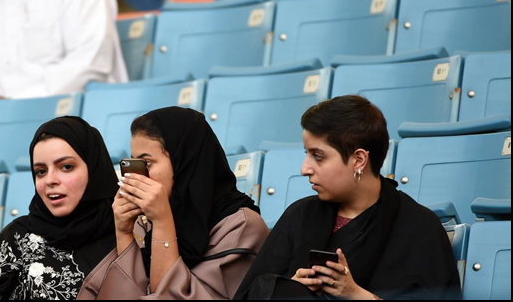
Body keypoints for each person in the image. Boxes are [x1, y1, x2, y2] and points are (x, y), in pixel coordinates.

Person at [234, 95, 462, 300]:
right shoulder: (300, 215)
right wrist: (291, 288)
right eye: (307, 154)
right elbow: (251, 293)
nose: (305, 169)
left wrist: (354, 294)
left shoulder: (419, 227)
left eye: (318, 156)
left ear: (359, 160)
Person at [79, 107, 269, 300]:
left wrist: (163, 222)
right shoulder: (144, 222)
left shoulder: (241, 227)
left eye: (147, 163)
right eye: (135, 163)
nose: (138, 175)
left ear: (184, 163)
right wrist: (124, 234)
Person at [0, 116, 119, 300]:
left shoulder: (129, 232)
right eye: (41, 171)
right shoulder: (19, 237)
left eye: (66, 167)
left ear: (94, 168)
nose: (50, 180)